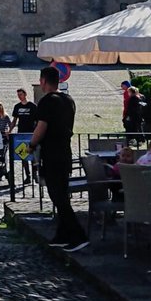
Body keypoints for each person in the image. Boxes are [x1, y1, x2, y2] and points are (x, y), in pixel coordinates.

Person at [29, 65, 87, 251]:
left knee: (57, 196)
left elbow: (41, 127)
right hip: (65, 152)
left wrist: (31, 144)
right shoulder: (69, 100)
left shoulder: (47, 101)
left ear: (43, 81)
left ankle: (78, 235)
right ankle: (62, 235)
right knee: (61, 194)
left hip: (52, 153)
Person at [9, 88, 38, 186]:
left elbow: (38, 120)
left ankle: (35, 174)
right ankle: (28, 176)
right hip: (21, 134)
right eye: (18, 95)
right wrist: (10, 131)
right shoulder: (17, 107)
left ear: (25, 94)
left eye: (21, 94)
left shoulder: (32, 106)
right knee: (23, 155)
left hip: (31, 134)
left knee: (33, 155)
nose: (19, 96)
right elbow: (14, 120)